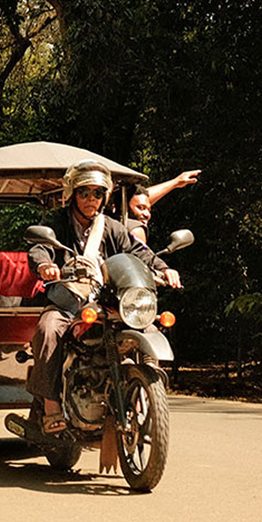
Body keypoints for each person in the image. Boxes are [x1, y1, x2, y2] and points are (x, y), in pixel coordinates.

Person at [28, 160, 181, 434]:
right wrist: (44, 265)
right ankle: (51, 406)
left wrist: (164, 268)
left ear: (105, 196)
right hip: (68, 299)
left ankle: (147, 387)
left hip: (108, 299)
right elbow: (40, 247)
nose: (91, 199)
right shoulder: (57, 221)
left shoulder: (111, 226)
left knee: (148, 323)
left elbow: (138, 251)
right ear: (72, 194)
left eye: (97, 193)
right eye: (84, 192)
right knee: (48, 329)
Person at [120, 169, 201, 244]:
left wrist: (176, 182)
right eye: (141, 208)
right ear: (122, 207)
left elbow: (140, 199)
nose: (147, 215)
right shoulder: (117, 227)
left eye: (149, 209)